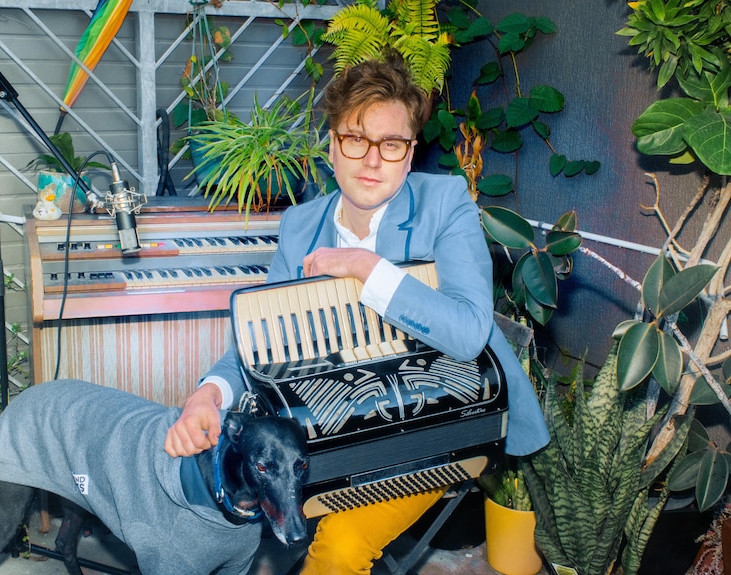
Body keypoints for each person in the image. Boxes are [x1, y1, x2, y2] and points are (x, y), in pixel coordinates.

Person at [164, 57, 550, 575]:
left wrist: (365, 267)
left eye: (391, 144)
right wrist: (208, 394)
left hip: (428, 427)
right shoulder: (301, 224)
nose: (372, 159)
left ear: (410, 153)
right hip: (329, 434)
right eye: (355, 139)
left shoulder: (445, 203)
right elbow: (264, 338)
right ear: (332, 146)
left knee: (340, 549)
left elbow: (467, 330)